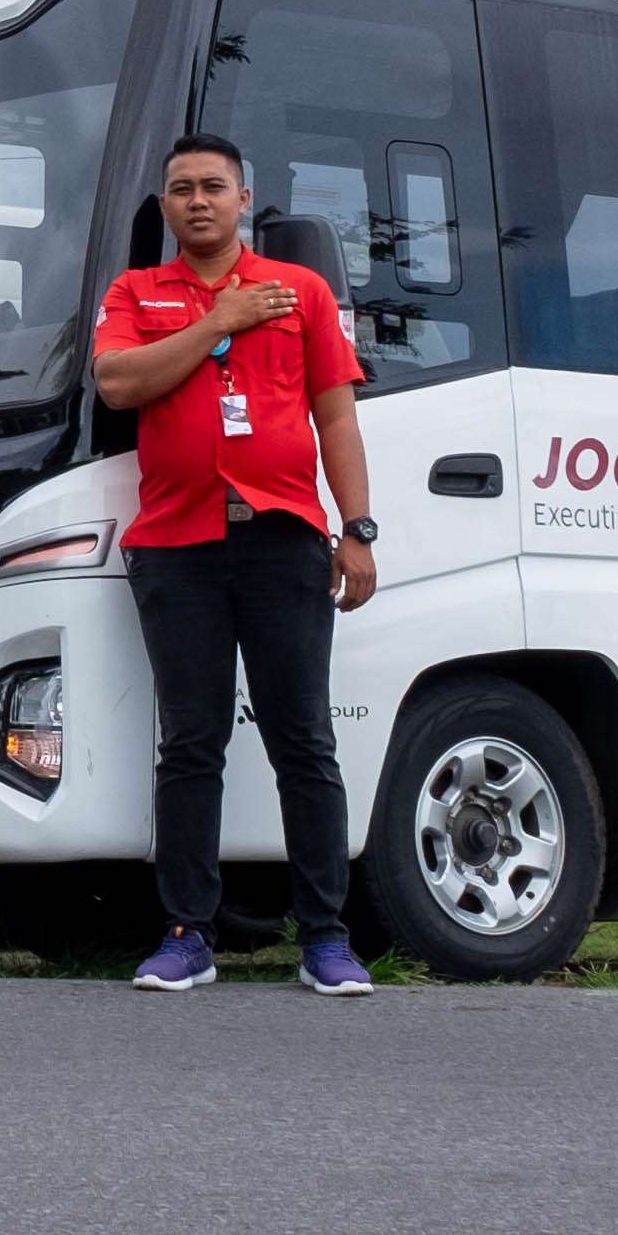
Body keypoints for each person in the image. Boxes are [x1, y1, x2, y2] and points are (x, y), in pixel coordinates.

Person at [90, 134, 381, 995]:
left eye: (213, 186)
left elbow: (335, 418)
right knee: (190, 743)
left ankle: (327, 938)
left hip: (282, 541)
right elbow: (117, 383)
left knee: (303, 741)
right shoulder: (136, 292)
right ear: (166, 207)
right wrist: (216, 322)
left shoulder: (301, 292)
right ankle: (186, 933)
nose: (197, 201)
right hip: (175, 550)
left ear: (243, 198)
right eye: (180, 189)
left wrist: (356, 528)